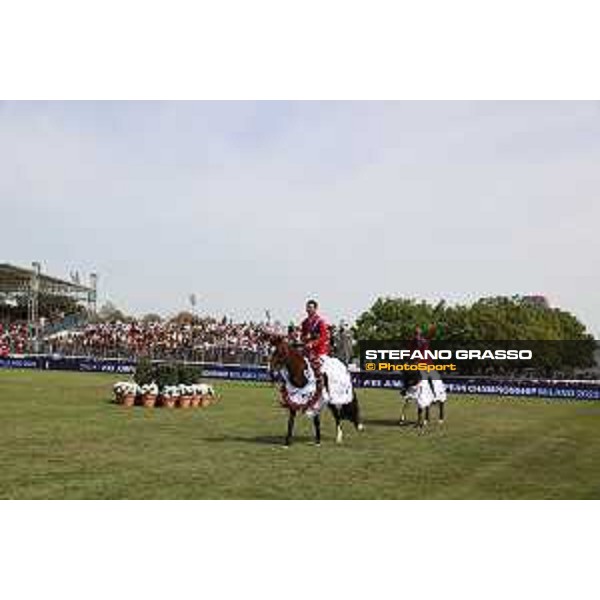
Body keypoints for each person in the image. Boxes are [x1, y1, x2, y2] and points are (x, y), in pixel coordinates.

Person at [300, 299, 330, 395]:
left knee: (320, 368)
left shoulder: (320, 322)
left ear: (315, 309)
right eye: (307, 307)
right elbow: (302, 336)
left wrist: (313, 343)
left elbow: (324, 336)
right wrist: (304, 339)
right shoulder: (304, 322)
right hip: (307, 351)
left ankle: (323, 387)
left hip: (319, 351)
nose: (308, 309)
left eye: (310, 307)